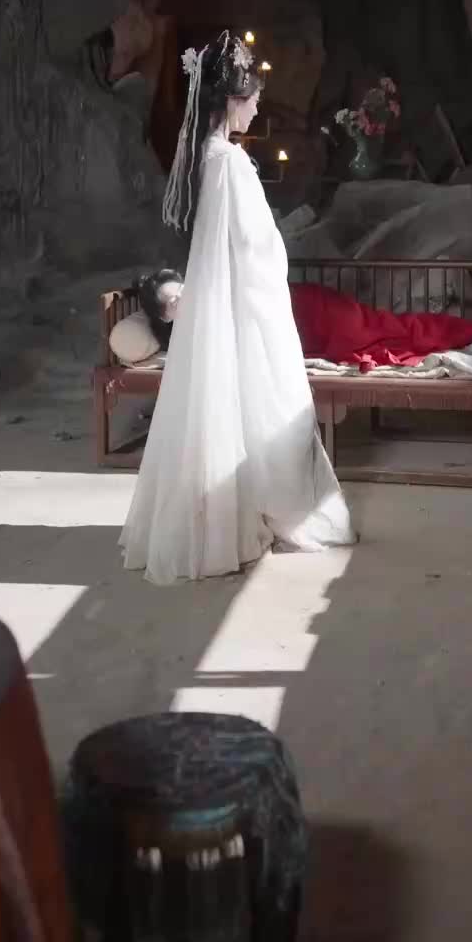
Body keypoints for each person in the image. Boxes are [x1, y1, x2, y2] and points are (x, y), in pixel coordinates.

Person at [120, 30, 356, 583]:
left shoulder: (206, 156)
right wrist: (276, 249)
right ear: (230, 99)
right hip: (241, 301)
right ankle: (228, 524)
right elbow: (252, 245)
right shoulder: (228, 161)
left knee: (225, 405)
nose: (255, 109)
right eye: (251, 99)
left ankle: (213, 521)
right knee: (262, 404)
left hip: (223, 298)